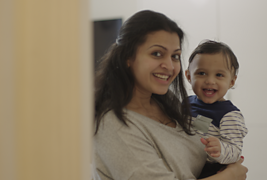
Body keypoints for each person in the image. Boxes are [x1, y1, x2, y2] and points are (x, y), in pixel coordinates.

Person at [93, 10, 248, 180]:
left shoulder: (168, 102)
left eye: (175, 56)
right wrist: (230, 175)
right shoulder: (113, 125)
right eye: (157, 53)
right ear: (127, 57)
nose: (169, 66)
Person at [184, 40, 248, 176]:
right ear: (189, 76)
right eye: (201, 73)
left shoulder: (229, 115)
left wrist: (220, 149)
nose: (210, 81)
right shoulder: (184, 104)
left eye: (219, 75)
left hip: (211, 171)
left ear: (231, 81)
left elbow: (235, 151)